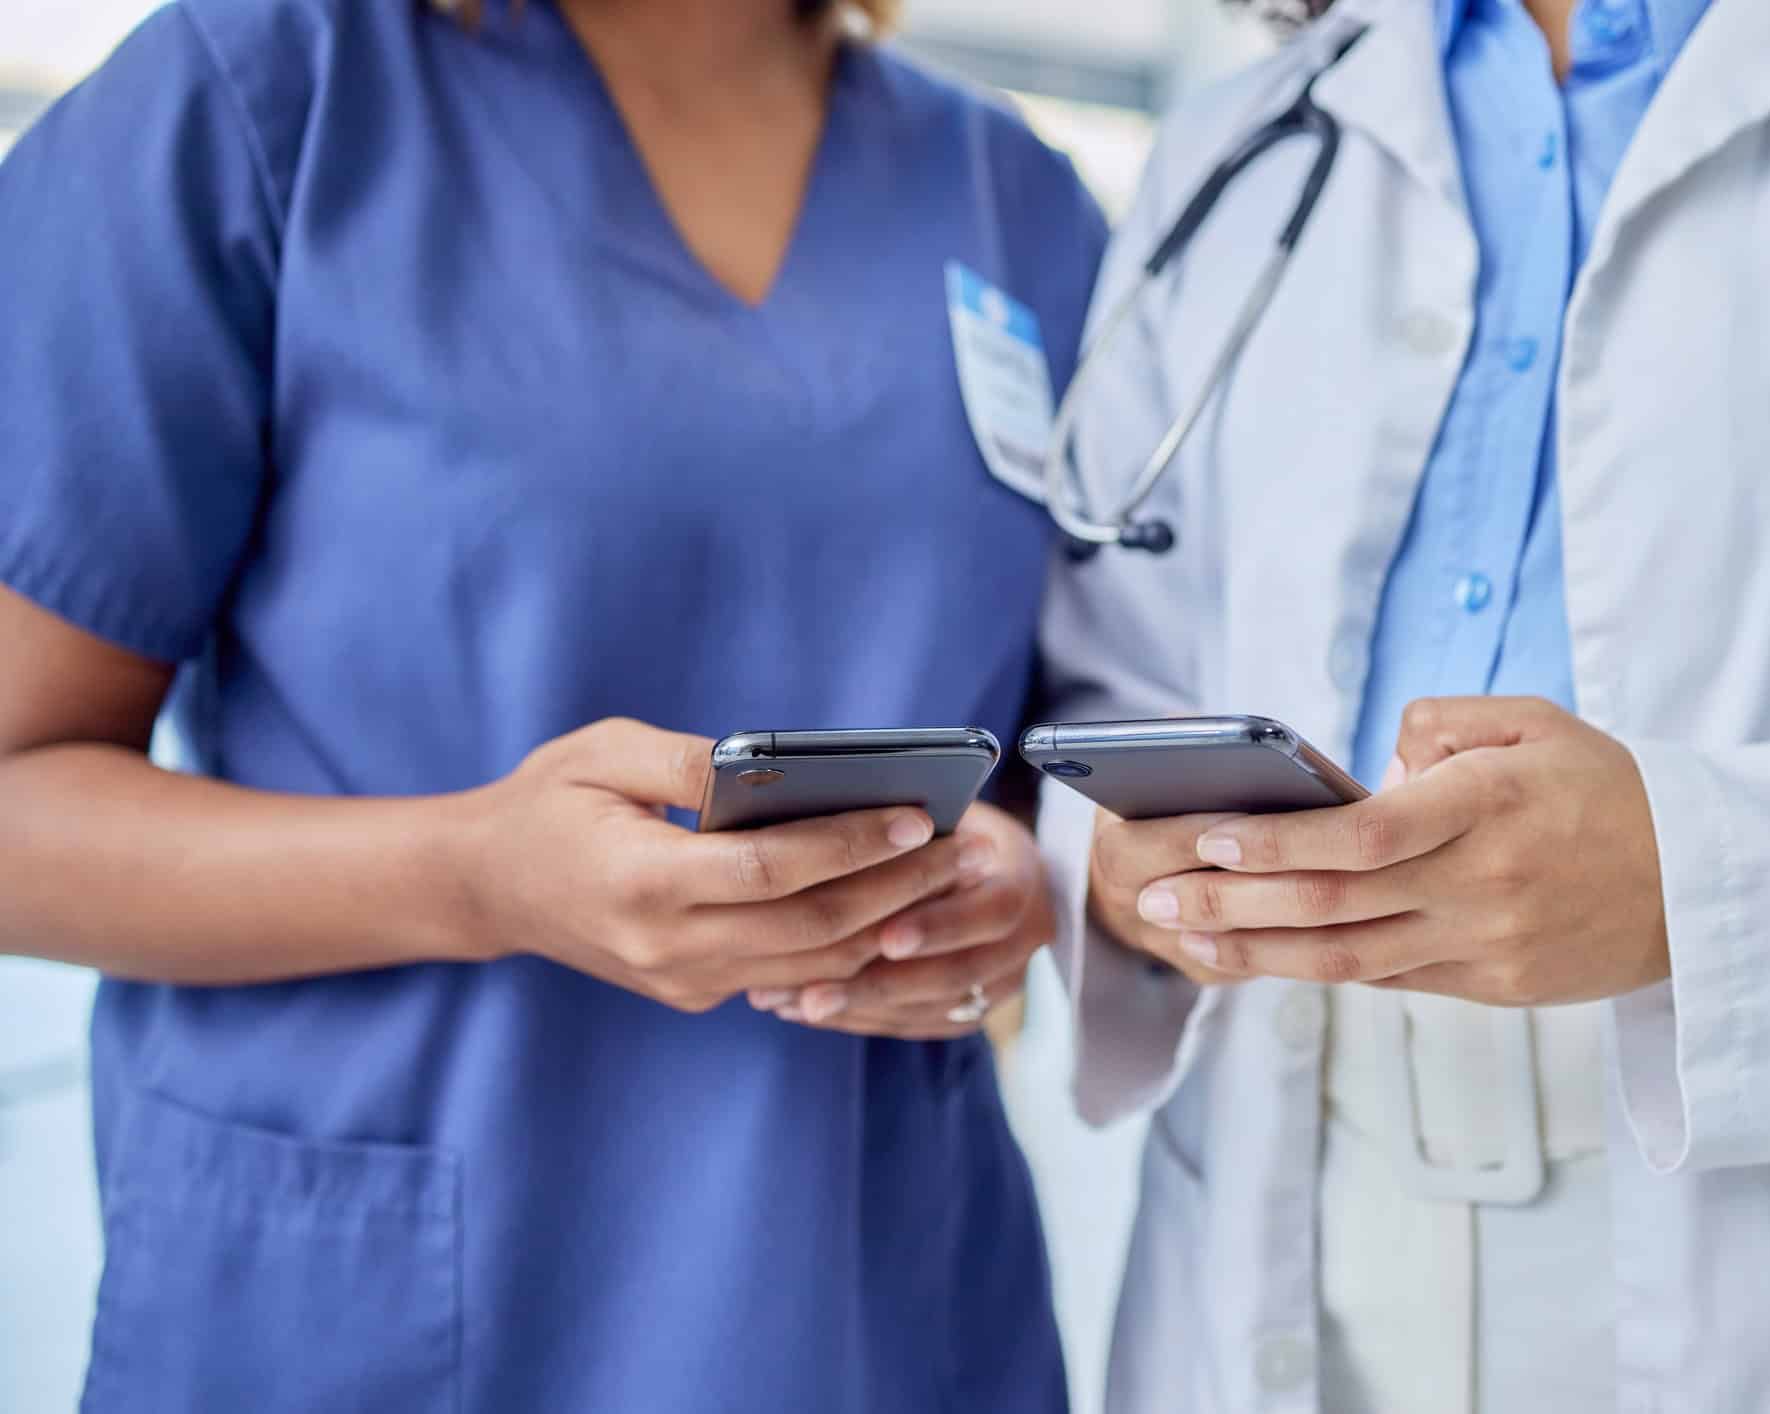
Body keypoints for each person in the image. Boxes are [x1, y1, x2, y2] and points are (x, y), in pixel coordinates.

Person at [0, 0, 1106, 1408]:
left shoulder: (1015, 201)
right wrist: (475, 876)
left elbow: (1044, 745)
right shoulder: (264, 92)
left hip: (876, 1306)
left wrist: (1016, 877)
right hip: (388, 1315)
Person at [1035, 0, 1770, 1409]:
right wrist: (1125, 875)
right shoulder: (1249, 137)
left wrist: (1702, 881)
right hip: (1292, 1206)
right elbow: (1111, 671)